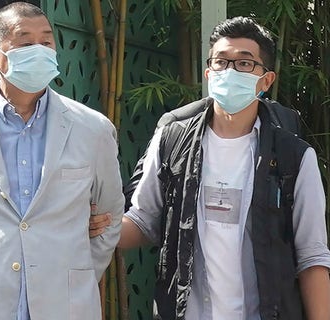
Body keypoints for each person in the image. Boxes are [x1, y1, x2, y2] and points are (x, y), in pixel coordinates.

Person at [0, 2, 124, 319]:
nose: (40, 50)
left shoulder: (93, 129)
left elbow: (109, 216)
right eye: (26, 42)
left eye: (46, 41)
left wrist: (74, 273)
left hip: (65, 304)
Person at [119, 16, 330, 319]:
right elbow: (142, 221)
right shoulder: (172, 139)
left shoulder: (294, 157)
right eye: (221, 62)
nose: (230, 71)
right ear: (208, 73)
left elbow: (312, 256)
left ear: (266, 80)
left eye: (244, 64)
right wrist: (97, 223)